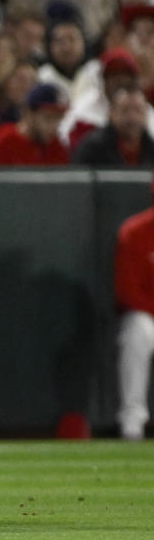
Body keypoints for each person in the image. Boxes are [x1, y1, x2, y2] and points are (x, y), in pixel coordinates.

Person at [115, 181, 154, 440]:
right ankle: (133, 422)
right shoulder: (136, 230)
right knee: (137, 331)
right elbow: (127, 292)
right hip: (147, 315)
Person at [0, 83, 69, 166]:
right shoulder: (1, 141)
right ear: (28, 114)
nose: (55, 126)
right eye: (49, 118)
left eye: (59, 119)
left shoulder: (56, 146)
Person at [73, 86, 154, 166]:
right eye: (125, 110)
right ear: (111, 113)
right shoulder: (92, 148)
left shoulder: (151, 147)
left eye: (138, 110)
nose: (132, 117)